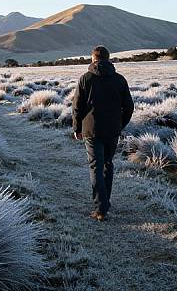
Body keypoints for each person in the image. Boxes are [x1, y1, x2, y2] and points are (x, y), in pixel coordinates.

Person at [72, 45, 134, 221]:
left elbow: (77, 106)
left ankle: (100, 209)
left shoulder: (85, 79)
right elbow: (129, 107)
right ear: (109, 59)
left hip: (91, 130)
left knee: (96, 167)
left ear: (93, 59)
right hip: (112, 130)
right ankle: (104, 203)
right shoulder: (120, 80)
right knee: (107, 164)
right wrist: (120, 124)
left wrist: (76, 128)